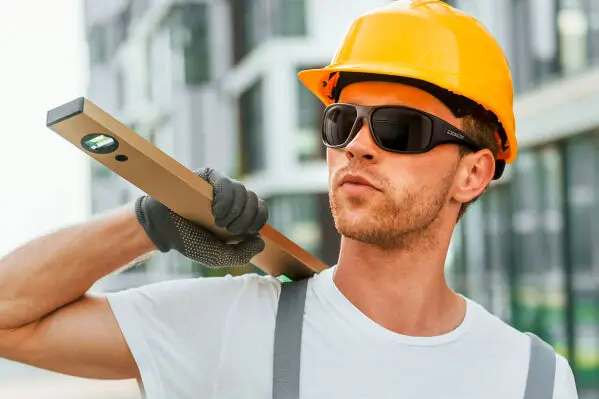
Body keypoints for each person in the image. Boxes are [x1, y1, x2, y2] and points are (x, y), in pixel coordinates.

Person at [0, 1, 579, 398]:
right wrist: (150, 222)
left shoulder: (534, 378)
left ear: (473, 174)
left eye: (399, 130)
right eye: (342, 122)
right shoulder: (237, 324)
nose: (357, 147)